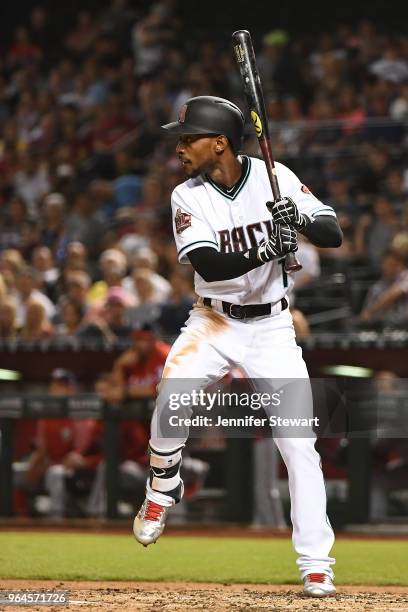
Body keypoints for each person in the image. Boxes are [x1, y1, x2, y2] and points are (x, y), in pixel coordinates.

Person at [132, 95, 342, 597]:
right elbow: (208, 264)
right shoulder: (188, 195)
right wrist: (269, 242)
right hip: (214, 321)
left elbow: (331, 233)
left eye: (189, 139)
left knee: (300, 448)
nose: (180, 148)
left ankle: (316, 564)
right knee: (171, 396)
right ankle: (163, 485)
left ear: (220, 143)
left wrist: (300, 221)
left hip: (273, 329)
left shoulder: (278, 177)